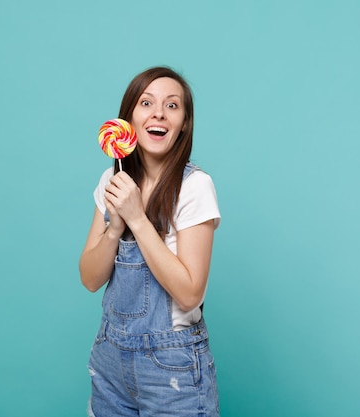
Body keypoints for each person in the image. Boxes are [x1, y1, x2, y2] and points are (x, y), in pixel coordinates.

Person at [79, 66, 221, 417]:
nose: (158, 112)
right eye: (146, 102)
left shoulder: (194, 187)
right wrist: (115, 227)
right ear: (128, 119)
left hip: (170, 366)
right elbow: (90, 278)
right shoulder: (112, 180)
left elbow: (190, 293)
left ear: (184, 123)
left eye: (172, 106)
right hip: (110, 358)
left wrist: (138, 219)